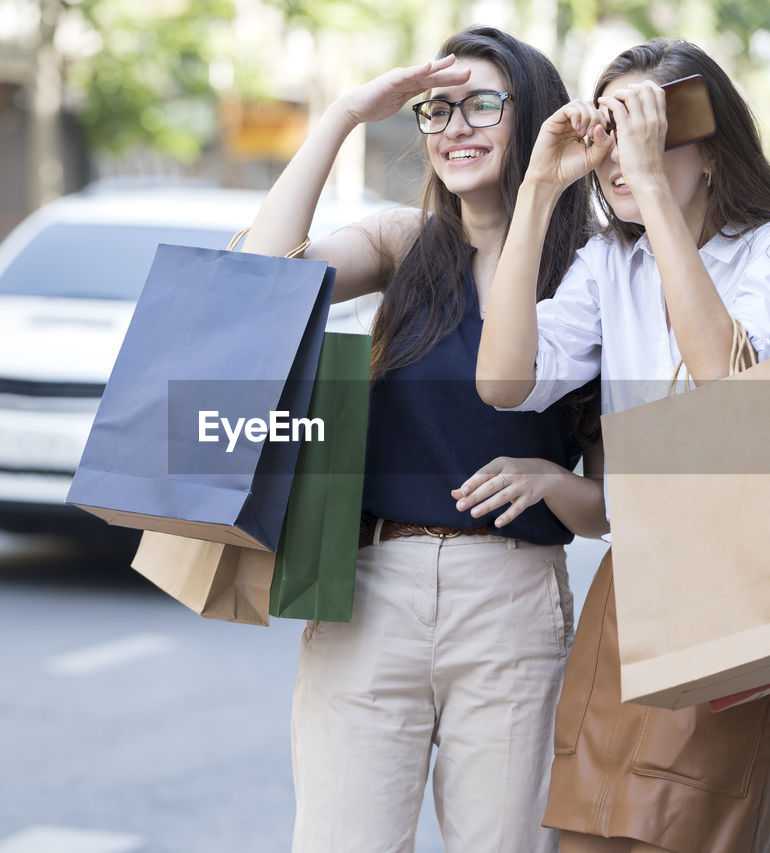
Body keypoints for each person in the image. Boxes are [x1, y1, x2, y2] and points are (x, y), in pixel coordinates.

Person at [469, 38, 770, 853]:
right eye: (611, 127)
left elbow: (728, 392)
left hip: (737, 583)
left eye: (652, 126)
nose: (622, 151)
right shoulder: (612, 263)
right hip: (628, 588)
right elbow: (503, 383)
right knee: (587, 829)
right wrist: (538, 189)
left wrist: (652, 192)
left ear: (712, 151)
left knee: (683, 831)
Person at [242, 26, 604, 853]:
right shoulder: (403, 244)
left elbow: (613, 505)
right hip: (369, 590)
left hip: (510, 599)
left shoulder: (591, 272)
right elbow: (263, 278)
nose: (454, 127)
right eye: (435, 111)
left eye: (483, 104)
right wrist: (342, 115)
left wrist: (552, 478)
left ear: (536, 116)